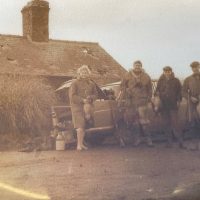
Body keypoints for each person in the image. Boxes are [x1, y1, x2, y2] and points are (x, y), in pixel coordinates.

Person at [120, 60, 153, 147]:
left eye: (139, 65)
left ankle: (148, 139)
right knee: (134, 122)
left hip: (142, 101)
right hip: (131, 102)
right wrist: (126, 93)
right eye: (136, 65)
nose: (137, 67)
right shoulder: (127, 75)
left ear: (141, 66)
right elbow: (122, 86)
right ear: (133, 66)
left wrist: (148, 98)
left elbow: (150, 88)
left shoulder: (146, 76)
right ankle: (137, 139)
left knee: (144, 121)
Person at [69, 65, 98, 151]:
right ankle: (78, 145)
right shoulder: (75, 83)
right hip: (77, 107)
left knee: (84, 126)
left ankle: (81, 144)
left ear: (88, 73)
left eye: (86, 72)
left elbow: (96, 94)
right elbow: (72, 96)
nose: (84, 74)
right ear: (79, 73)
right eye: (82, 72)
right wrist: (82, 100)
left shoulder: (92, 83)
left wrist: (90, 98)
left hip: (88, 108)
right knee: (80, 126)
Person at [155, 66, 185, 148]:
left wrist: (179, 100)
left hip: (173, 105)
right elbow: (156, 92)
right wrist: (157, 99)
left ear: (171, 72)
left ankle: (180, 142)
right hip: (163, 106)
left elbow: (180, 91)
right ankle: (169, 142)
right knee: (166, 124)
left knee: (176, 124)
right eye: (165, 71)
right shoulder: (160, 81)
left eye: (169, 71)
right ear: (163, 72)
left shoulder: (176, 81)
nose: (167, 73)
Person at [182, 61, 200, 150]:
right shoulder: (188, 79)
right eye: (193, 67)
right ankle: (194, 144)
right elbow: (184, 91)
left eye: (196, 67)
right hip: (192, 103)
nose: (195, 69)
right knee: (192, 121)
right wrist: (190, 97)